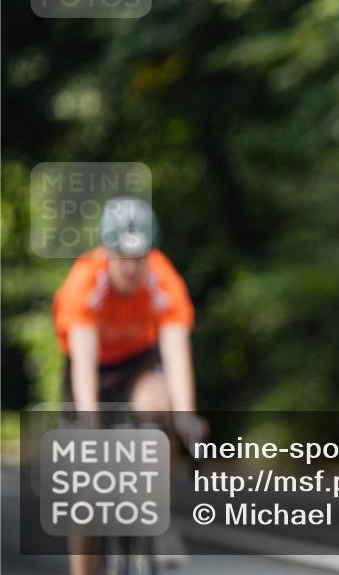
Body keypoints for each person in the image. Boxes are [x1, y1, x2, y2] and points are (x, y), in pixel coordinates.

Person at [53, 196, 199, 575]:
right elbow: (83, 360)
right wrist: (89, 423)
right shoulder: (85, 282)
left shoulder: (163, 279)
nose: (132, 269)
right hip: (92, 371)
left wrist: (186, 417)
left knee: (159, 405)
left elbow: (176, 351)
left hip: (136, 365)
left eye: (140, 258)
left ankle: (157, 507)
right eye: (123, 258)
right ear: (107, 252)